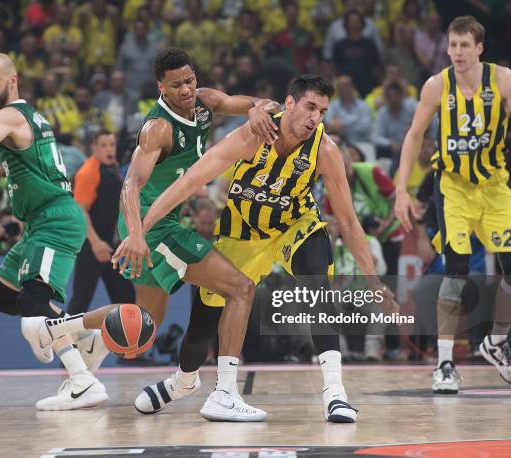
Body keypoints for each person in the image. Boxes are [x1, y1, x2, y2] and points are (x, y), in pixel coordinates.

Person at [115, 74, 398, 423]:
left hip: (294, 226)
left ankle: (335, 393)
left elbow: (350, 222)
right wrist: (138, 230)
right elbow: (190, 182)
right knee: (202, 325)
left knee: (317, 285)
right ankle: (183, 381)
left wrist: (373, 281)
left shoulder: (325, 150)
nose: (315, 118)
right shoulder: (252, 135)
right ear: (290, 104)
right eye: (310, 107)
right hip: (242, 234)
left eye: (323, 111)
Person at [23, 47, 280, 422]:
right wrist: (138, 235)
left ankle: (58, 335)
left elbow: (256, 102)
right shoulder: (157, 127)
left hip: (157, 221)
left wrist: (259, 108)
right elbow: (131, 183)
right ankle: (225, 392)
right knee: (240, 288)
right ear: (161, 86)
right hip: (148, 224)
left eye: (190, 80)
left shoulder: (205, 102)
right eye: (177, 85)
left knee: (142, 325)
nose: (187, 90)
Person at [0, 53, 108, 411]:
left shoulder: (8, 115)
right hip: (39, 222)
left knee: (34, 302)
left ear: (12, 80)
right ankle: (84, 335)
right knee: (2, 297)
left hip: (55, 219)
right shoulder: (29, 115)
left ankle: (83, 382)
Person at [395, 16, 511, 393]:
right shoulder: (435, 86)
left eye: (465, 45)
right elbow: (414, 137)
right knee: (455, 272)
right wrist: (400, 190)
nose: (457, 52)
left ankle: (496, 341)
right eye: (453, 45)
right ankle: (445, 363)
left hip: (494, 185)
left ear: (479, 48)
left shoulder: (504, 80)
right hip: (454, 188)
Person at [67, 130, 135, 318]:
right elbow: (80, 211)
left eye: (112, 145)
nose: (109, 149)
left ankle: (126, 344)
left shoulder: (113, 167)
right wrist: (95, 243)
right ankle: (64, 342)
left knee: (126, 295)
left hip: (108, 245)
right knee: (80, 301)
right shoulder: (88, 171)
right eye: (103, 145)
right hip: (90, 245)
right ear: (94, 148)